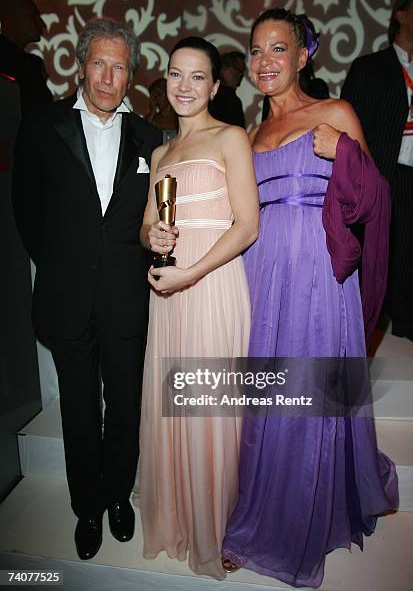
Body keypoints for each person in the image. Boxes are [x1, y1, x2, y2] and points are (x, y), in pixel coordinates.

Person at [221, 8, 398, 588]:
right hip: (261, 272)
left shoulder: (336, 113)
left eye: (278, 49)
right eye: (255, 50)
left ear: (302, 57)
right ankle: (261, 506)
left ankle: (301, 517)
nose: (264, 61)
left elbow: (377, 201)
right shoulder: (247, 136)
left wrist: (343, 155)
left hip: (320, 276)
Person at [12, 17, 162, 561]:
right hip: (67, 296)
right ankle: (88, 507)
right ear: (80, 64)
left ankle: (119, 496)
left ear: (131, 75)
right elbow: (25, 208)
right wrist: (59, 264)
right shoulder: (42, 125)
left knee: (124, 404)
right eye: (99, 63)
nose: (107, 76)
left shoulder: (150, 137)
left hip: (126, 300)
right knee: (77, 408)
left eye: (119, 66)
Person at [136, 36, 259, 579]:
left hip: (211, 283)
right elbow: (145, 226)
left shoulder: (231, 138)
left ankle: (222, 526)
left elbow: (248, 226)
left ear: (214, 85)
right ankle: (185, 512)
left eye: (196, 77)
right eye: (175, 75)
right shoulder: (161, 153)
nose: (184, 86)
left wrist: (191, 270)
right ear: (165, 81)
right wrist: (153, 237)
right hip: (168, 293)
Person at [341, 0, 413, 341]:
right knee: (381, 258)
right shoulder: (370, 67)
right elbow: (348, 133)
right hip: (383, 177)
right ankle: (367, 330)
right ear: (400, 14)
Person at [0, 0, 53, 111]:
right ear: (12, 16)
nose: (42, 24)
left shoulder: (32, 63)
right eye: (33, 15)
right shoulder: (27, 64)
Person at [208, 51, 246, 126]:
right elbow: (237, 134)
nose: (240, 78)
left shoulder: (204, 92)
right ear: (229, 69)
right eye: (240, 72)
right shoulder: (231, 99)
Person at [144, 77, 178, 142]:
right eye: (154, 96)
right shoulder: (151, 118)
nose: (156, 99)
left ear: (168, 94)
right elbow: (142, 135)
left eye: (159, 95)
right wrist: (152, 112)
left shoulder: (179, 116)